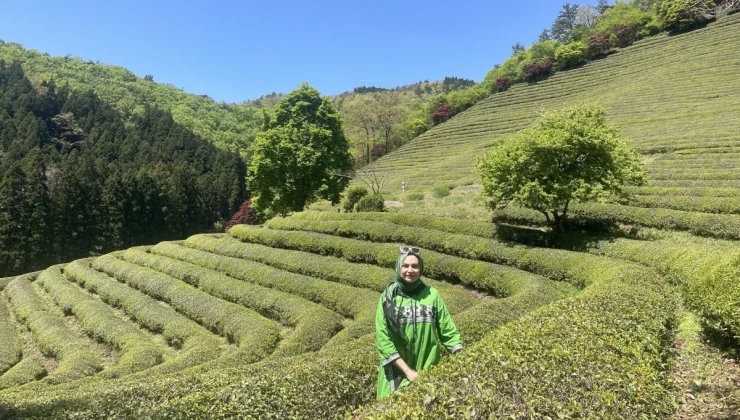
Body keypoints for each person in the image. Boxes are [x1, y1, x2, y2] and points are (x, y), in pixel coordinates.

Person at [375, 246, 463, 399]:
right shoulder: (388, 298)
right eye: (406, 266)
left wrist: (462, 356)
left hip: (428, 370)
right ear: (398, 267)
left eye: (415, 266)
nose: (410, 270)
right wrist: (408, 372)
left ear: (421, 269)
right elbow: (383, 340)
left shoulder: (432, 295)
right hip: (397, 374)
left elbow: (447, 329)